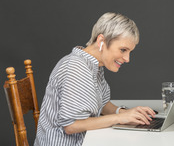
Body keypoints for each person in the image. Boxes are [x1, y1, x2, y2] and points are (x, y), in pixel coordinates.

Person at [34, 12, 156, 146]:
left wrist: (127, 113)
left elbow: (102, 104)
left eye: (129, 52)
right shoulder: (76, 68)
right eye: (123, 50)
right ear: (101, 41)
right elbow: (71, 126)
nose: (127, 59)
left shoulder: (94, 65)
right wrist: (120, 118)